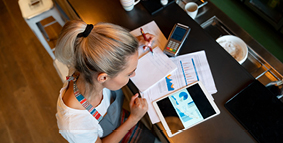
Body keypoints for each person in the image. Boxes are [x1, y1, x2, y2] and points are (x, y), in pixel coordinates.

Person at [55, 20, 159, 143]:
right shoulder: (75, 125)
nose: (133, 74)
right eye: (129, 73)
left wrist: (134, 42)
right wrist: (134, 118)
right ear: (103, 78)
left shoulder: (86, 64)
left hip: (119, 119)